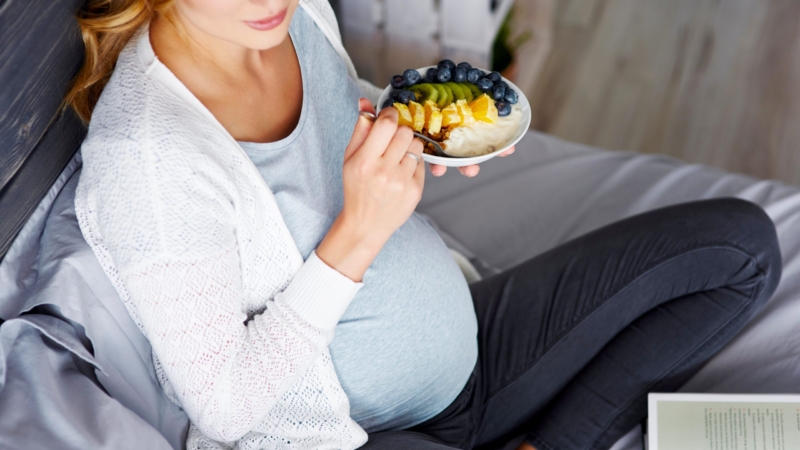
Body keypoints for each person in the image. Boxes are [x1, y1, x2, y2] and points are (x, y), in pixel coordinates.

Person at [66, 0, 782, 449]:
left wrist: (417, 128)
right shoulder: (150, 160)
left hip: (471, 359)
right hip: (360, 436)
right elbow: (224, 405)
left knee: (739, 249)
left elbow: (349, 109)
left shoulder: (292, 14)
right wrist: (359, 235)